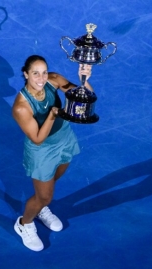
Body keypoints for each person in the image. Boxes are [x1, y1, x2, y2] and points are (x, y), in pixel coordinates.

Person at [11, 55, 93, 251]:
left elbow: (84, 98)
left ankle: (40, 207)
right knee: (45, 197)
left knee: (52, 182)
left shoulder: (53, 80)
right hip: (43, 151)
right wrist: (53, 114)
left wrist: (85, 80)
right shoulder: (21, 107)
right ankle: (24, 224)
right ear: (26, 74)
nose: (41, 78)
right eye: (35, 73)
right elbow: (37, 138)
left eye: (44, 72)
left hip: (64, 139)